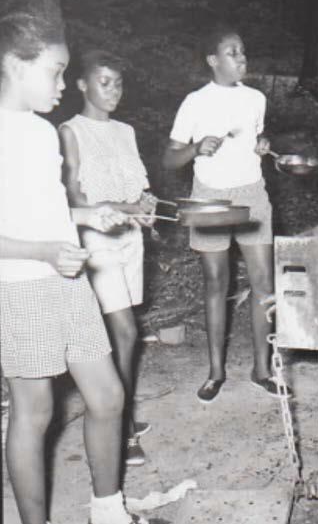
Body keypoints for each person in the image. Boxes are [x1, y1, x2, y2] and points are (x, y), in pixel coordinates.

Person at [0, 12, 145, 524]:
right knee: (34, 412)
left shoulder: (42, 134)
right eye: (55, 71)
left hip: (69, 281)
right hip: (21, 287)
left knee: (107, 396)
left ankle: (108, 511)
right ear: (16, 66)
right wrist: (41, 252)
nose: (63, 85)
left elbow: (48, 209)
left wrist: (88, 215)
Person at [162, 24, 286, 404]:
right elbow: (169, 159)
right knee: (217, 283)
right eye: (233, 52)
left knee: (264, 284)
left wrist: (264, 145)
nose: (242, 57)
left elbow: (256, 142)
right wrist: (196, 148)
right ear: (213, 61)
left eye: (243, 51)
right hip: (210, 198)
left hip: (252, 192)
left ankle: (262, 370)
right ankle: (216, 372)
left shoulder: (256, 99)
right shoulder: (195, 102)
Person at [59, 50, 157, 467]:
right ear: (82, 84)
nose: (113, 90)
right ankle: (123, 429)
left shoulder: (127, 131)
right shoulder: (69, 130)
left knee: (123, 334)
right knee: (126, 331)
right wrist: (122, 206)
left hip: (130, 237)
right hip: (96, 238)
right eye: (104, 81)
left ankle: (121, 411)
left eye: (117, 82)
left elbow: (139, 188)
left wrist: (146, 204)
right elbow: (76, 196)